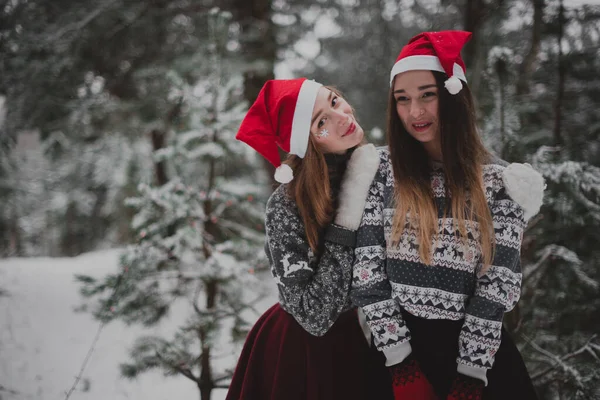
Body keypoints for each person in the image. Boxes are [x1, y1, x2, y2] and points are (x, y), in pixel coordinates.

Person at [351, 31, 545, 400]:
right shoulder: (379, 170)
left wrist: (470, 378)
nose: (415, 112)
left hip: (478, 359)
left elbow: (497, 285)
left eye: (428, 95)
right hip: (398, 357)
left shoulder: (501, 182)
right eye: (402, 99)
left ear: (453, 94)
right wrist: (401, 366)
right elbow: (367, 273)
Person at [226, 78, 393, 400]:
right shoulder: (287, 205)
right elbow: (313, 314)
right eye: (321, 122)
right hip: (305, 355)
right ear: (307, 142)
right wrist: (346, 220)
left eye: (334, 102)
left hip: (382, 342)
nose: (341, 117)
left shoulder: (380, 166)